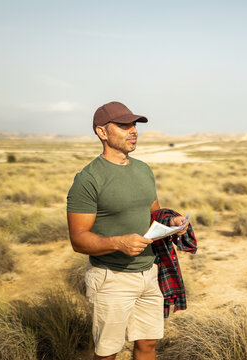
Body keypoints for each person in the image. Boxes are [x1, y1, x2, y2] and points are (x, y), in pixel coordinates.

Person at [66, 101, 188, 360]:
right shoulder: (88, 179)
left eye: (133, 125)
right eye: (123, 125)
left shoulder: (143, 169)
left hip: (149, 272)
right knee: (108, 352)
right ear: (102, 132)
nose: (132, 130)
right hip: (111, 278)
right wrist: (119, 243)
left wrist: (172, 221)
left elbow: (153, 212)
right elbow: (78, 239)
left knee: (147, 346)